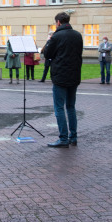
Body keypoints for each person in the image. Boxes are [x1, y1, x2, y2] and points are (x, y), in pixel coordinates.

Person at [42, 12, 83, 148]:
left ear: (58, 22)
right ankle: (73, 136)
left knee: (59, 108)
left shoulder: (57, 36)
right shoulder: (77, 35)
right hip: (74, 75)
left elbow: (47, 54)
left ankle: (63, 138)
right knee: (71, 107)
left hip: (60, 76)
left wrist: (50, 40)